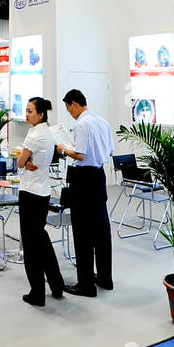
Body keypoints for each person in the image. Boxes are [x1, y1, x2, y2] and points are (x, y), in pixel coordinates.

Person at [56, 89, 114, 295]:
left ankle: (86, 284)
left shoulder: (81, 124)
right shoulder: (102, 122)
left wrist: (64, 149)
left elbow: (80, 155)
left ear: (74, 104)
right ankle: (106, 278)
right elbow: (109, 151)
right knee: (101, 230)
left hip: (83, 180)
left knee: (82, 233)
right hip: (99, 178)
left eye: (68, 108)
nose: (69, 113)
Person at [15, 97, 64, 307]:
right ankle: (56, 283)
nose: (27, 114)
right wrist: (27, 162)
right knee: (41, 239)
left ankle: (37, 292)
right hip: (42, 192)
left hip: (30, 193)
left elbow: (19, 162)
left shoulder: (34, 135)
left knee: (31, 245)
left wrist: (24, 162)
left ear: (41, 114)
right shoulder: (48, 132)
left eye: (30, 111)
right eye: (26, 110)